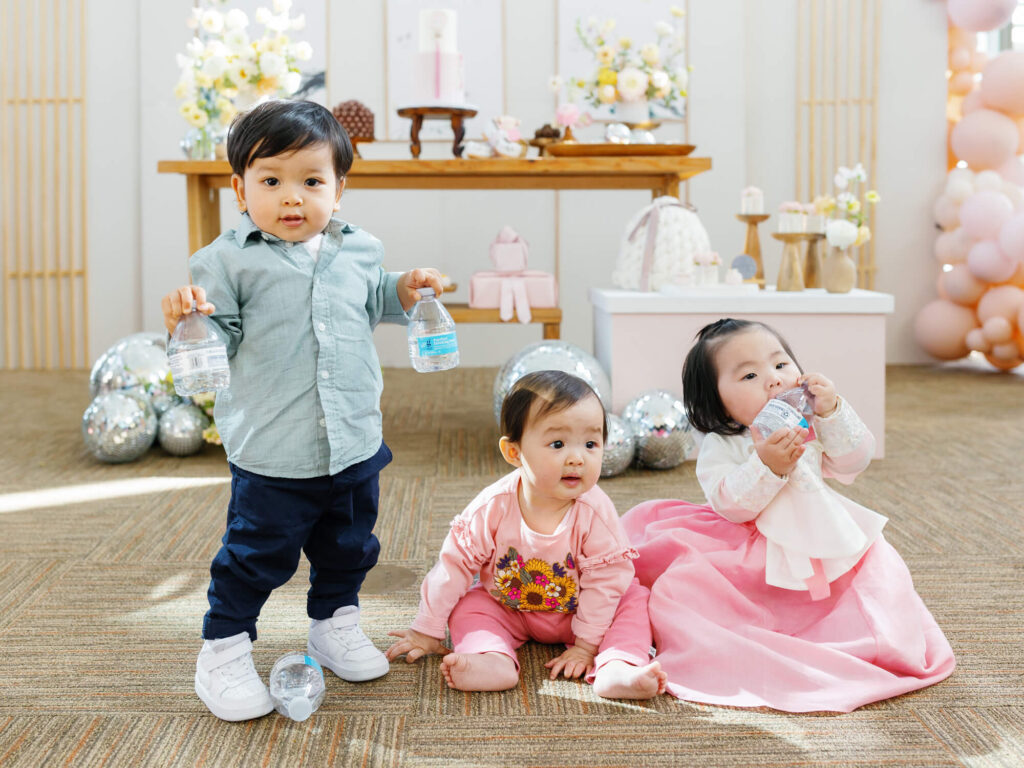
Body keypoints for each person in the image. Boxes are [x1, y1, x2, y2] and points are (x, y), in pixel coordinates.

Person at [160, 99, 445, 721]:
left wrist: (408, 286)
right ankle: (224, 649)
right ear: (240, 189)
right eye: (271, 181)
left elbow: (379, 298)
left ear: (338, 190)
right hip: (274, 448)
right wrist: (189, 322)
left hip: (352, 442)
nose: (293, 198)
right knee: (257, 555)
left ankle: (334, 623)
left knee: (349, 546)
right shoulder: (225, 260)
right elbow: (217, 340)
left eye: (312, 182)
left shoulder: (360, 249)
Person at [622, 318, 955, 713]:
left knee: (875, 573)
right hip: (748, 546)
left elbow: (853, 462)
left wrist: (831, 412)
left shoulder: (809, 425)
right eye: (749, 374)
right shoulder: (724, 444)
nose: (773, 380)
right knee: (690, 593)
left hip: (822, 534)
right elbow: (729, 504)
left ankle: (851, 636)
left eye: (781, 365)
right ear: (716, 400)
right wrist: (767, 465)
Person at [385, 370, 667, 699]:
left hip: (585, 611)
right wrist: (427, 628)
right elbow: (454, 565)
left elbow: (606, 581)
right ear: (514, 453)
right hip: (510, 608)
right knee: (469, 607)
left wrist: (586, 646)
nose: (577, 457)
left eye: (591, 444)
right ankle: (492, 659)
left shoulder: (595, 512)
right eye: (558, 444)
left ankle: (618, 666)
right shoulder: (492, 506)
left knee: (633, 600)